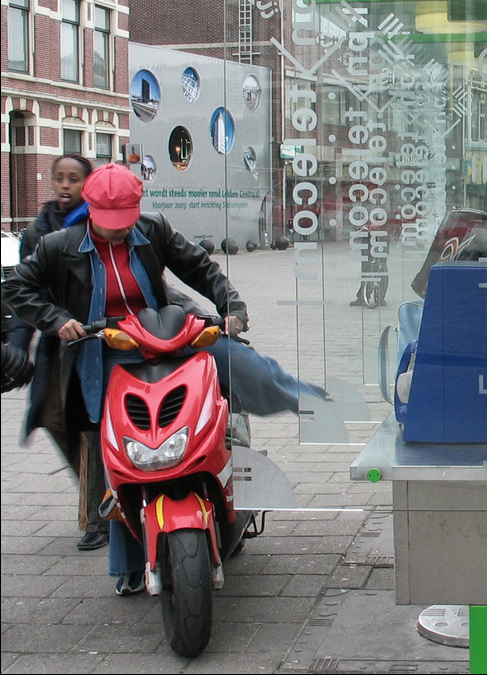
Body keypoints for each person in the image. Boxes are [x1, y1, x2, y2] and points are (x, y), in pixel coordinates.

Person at [3, 163, 326, 594]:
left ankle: (310, 401)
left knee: (238, 362)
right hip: (107, 349)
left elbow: (199, 268)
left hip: (165, 332)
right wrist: (56, 318)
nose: (119, 233)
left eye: (126, 223)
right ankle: (129, 566)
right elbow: (16, 288)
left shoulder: (153, 229)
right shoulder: (57, 246)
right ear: (90, 210)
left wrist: (232, 305)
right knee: (121, 450)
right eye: (109, 224)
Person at [3, 155, 109, 551]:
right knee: (52, 417)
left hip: (93, 343)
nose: (65, 186)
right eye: (59, 178)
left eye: (74, 179)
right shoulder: (38, 230)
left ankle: (99, 518)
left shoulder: (96, 224)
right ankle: (99, 495)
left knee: (91, 427)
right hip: (55, 345)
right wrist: (16, 348)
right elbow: (25, 293)